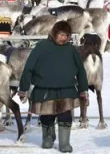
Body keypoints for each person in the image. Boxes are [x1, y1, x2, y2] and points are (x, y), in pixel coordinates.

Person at [18, 21, 88, 153]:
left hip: (66, 90)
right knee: (46, 116)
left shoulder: (71, 49)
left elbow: (80, 70)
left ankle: (64, 142)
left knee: (65, 117)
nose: (64, 38)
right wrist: (24, 88)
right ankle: (48, 139)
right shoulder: (41, 47)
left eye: (66, 35)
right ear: (55, 33)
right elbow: (28, 68)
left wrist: (83, 89)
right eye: (61, 35)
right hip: (45, 89)